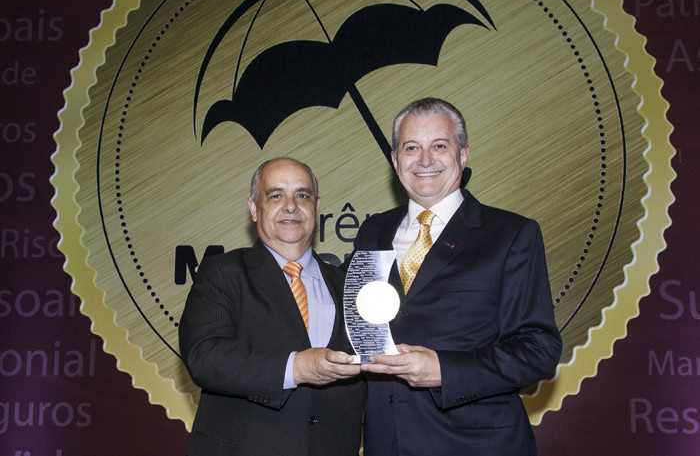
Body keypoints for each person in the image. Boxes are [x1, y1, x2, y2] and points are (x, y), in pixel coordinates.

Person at [353, 98, 562, 456]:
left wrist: (444, 370)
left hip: (476, 445)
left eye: (439, 146)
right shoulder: (373, 232)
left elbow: (538, 351)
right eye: (411, 148)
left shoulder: (511, 234)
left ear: (463, 154)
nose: (425, 160)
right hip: (388, 443)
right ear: (395, 160)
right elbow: (364, 332)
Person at [179, 157, 365, 456]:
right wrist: (296, 368)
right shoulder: (224, 272)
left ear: (316, 206)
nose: (291, 206)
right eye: (276, 195)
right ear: (254, 208)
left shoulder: (350, 285)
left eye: (302, 195)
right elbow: (205, 357)